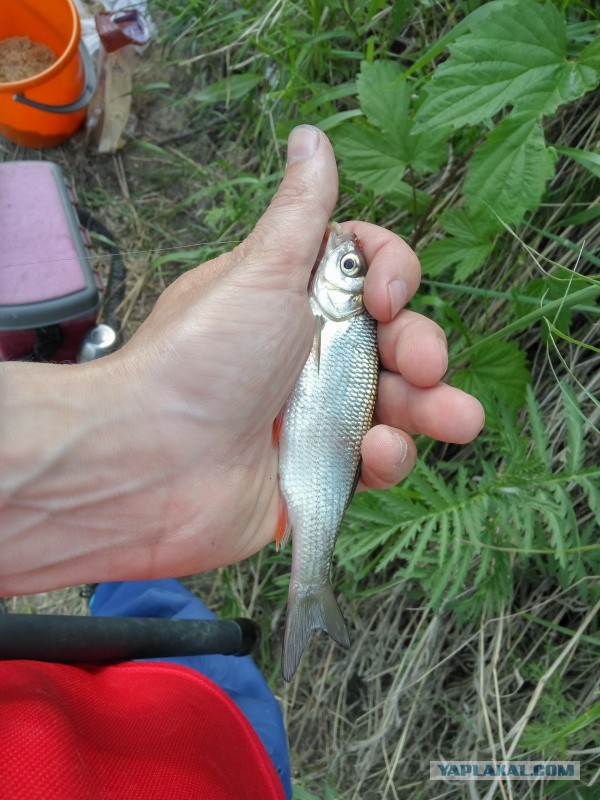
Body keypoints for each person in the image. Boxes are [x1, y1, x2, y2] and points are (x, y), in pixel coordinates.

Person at [0, 127, 484, 799]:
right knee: (168, 628)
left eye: (349, 270)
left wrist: (123, 422)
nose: (345, 264)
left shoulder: (334, 322)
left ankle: (262, 583)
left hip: (178, 739)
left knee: (159, 625)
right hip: (218, 754)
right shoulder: (335, 322)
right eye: (351, 270)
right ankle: (133, 582)